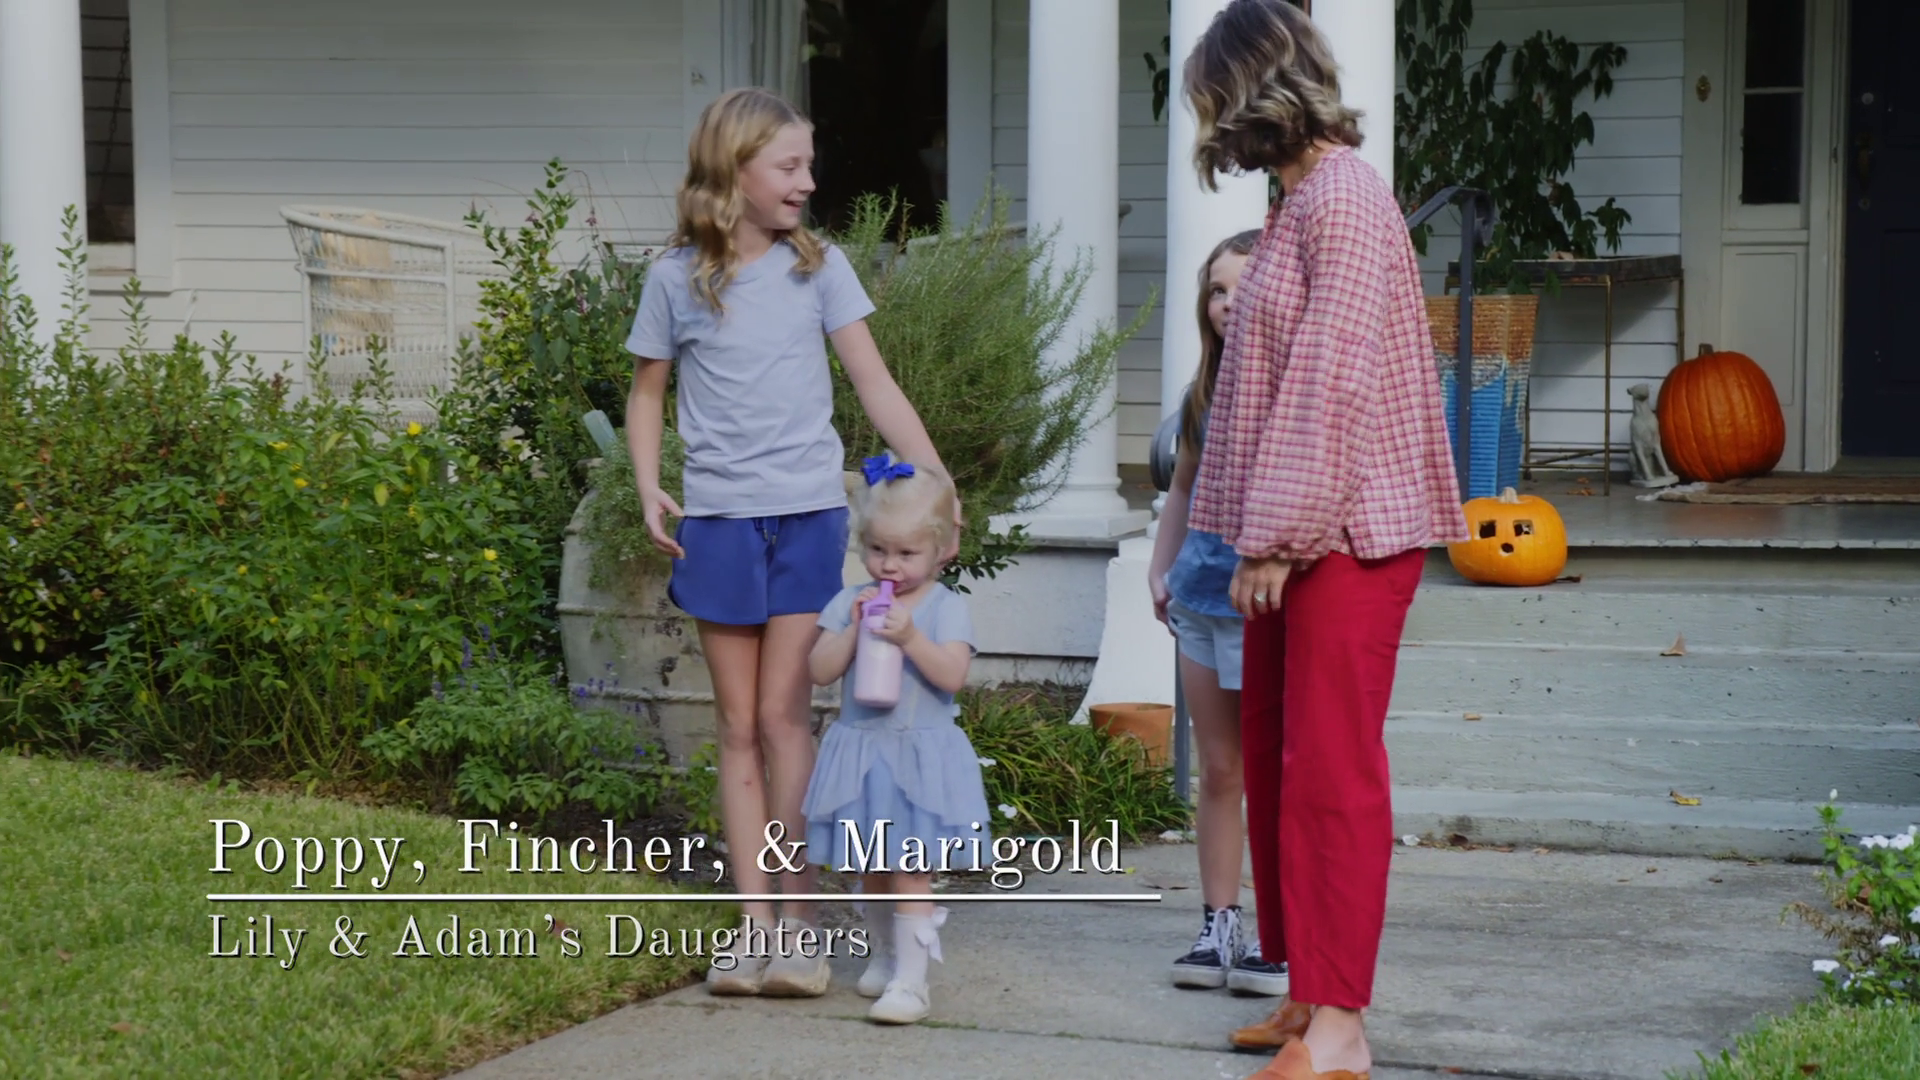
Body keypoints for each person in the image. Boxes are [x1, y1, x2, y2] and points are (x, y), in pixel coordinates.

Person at [1181, 2, 1470, 1078]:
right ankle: (1308, 990)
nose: (1211, 124)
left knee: (1331, 772)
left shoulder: (1344, 200)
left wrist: (1275, 537)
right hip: (1296, 532)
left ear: (1255, 91)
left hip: (1345, 532)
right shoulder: (1301, 200)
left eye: (1215, 99)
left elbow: (1330, 382)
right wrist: (1255, 535)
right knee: (1275, 758)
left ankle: (1343, 1028)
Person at [624, 86, 957, 998]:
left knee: (782, 718)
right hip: (719, 523)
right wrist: (649, 483)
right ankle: (754, 924)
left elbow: (874, 382)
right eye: (790, 166)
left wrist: (936, 479)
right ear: (735, 170)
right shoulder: (674, 279)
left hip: (806, 517)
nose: (808, 182)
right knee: (735, 727)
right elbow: (647, 392)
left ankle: (801, 924)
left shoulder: (821, 268)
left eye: (809, 165)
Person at [1146, 229, 1287, 998]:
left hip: (1264, 605)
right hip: (1200, 601)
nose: (1229, 303)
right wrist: (1160, 566)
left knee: (1275, 772)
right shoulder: (1203, 393)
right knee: (1221, 770)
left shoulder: (1294, 390)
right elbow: (1181, 488)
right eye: (1217, 291)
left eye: (1244, 288)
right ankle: (1218, 923)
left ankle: (1282, 932)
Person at [802, 457, 989, 1025]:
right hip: (863, 755)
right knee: (872, 869)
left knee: (910, 869)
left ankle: (913, 981)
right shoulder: (851, 601)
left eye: (907, 553)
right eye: (878, 549)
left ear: (941, 549)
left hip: (918, 759)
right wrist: (855, 628)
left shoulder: (944, 607)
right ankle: (885, 956)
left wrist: (909, 637)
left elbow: (951, 676)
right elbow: (819, 669)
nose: (890, 565)